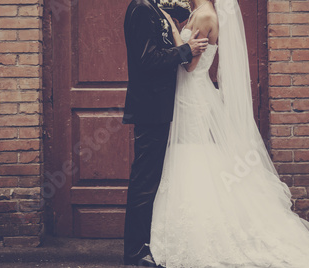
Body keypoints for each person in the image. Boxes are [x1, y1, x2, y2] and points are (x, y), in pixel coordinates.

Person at [150, 0, 309, 267]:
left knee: (193, 156)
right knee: (189, 155)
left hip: (193, 97)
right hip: (185, 95)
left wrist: (171, 26)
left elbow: (190, 65)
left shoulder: (205, 17)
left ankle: (204, 234)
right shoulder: (195, 14)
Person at [122, 0, 209, 266]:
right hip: (150, 108)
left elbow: (177, 19)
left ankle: (147, 243)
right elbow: (147, 59)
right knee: (144, 181)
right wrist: (187, 50)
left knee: (151, 180)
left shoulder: (155, 7)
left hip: (161, 108)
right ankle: (135, 252)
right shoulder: (140, 8)